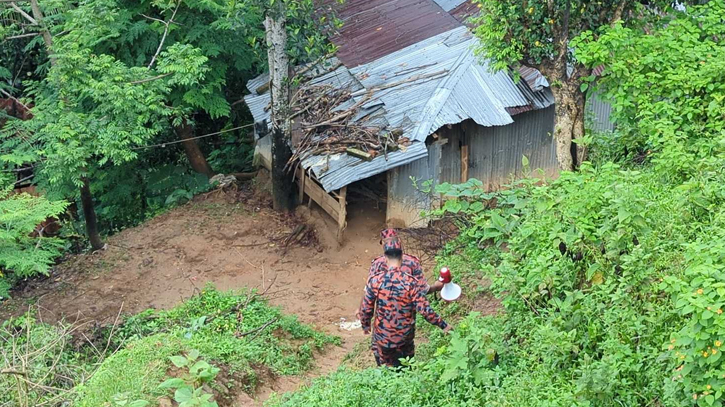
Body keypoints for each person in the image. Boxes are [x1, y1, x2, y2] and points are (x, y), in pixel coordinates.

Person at [358, 238, 451, 368]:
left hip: (383, 337)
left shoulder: (375, 281)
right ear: (402, 257)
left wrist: (365, 325)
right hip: (404, 338)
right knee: (405, 368)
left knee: (385, 369)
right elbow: (425, 310)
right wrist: (444, 325)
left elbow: (366, 308)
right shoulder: (410, 282)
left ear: (385, 258)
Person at [369, 229, 444, 295]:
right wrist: (436, 287)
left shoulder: (376, 264)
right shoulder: (412, 262)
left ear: (383, 245)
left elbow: (369, 292)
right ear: (399, 242)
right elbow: (422, 290)